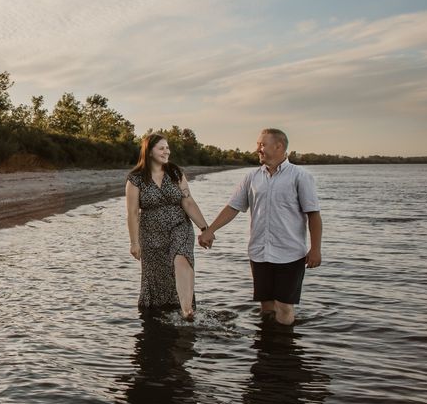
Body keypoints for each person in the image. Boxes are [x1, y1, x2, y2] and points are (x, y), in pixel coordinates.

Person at [198, 128, 322, 326]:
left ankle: (284, 350)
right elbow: (233, 207)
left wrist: (315, 249)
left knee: (284, 307)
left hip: (289, 254)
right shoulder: (252, 177)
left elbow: (313, 215)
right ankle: (265, 350)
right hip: (259, 252)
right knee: (266, 307)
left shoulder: (300, 176)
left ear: (279, 146)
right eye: (258, 145)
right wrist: (210, 230)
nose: (258, 149)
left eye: (262, 144)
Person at [125, 134, 212, 320]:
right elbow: (132, 213)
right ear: (149, 152)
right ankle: (159, 315)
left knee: (182, 258)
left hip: (180, 225)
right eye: (161, 148)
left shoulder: (175, 172)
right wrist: (134, 243)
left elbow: (188, 202)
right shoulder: (136, 179)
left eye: (168, 148)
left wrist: (206, 229)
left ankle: (187, 311)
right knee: (157, 277)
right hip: (151, 233)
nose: (167, 151)